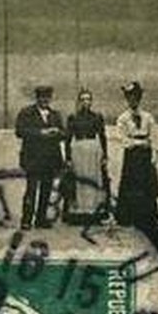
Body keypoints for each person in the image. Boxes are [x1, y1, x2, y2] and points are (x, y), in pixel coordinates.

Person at [14, 85, 66, 229]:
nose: (45, 100)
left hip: (50, 159)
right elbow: (19, 131)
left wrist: (56, 132)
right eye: (42, 98)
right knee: (31, 190)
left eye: (47, 98)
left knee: (46, 190)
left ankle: (41, 219)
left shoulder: (55, 115)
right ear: (37, 98)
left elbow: (64, 133)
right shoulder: (27, 113)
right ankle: (26, 219)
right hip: (33, 158)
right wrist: (41, 133)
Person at [113, 81, 158, 230]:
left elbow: (154, 137)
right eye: (130, 98)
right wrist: (139, 143)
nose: (133, 101)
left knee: (147, 185)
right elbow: (124, 140)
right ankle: (129, 216)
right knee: (131, 184)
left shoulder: (148, 117)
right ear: (126, 100)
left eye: (136, 97)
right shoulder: (123, 119)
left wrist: (154, 154)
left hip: (145, 156)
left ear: (140, 99)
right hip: (132, 156)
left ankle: (148, 217)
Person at [62, 88, 110, 225]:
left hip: (93, 152)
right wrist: (68, 157)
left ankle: (93, 210)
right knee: (80, 180)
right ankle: (79, 212)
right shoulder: (73, 118)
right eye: (83, 99)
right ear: (79, 102)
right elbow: (67, 138)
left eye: (88, 99)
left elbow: (102, 137)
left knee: (93, 178)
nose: (86, 102)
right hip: (78, 150)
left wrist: (105, 156)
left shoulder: (97, 117)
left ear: (91, 102)